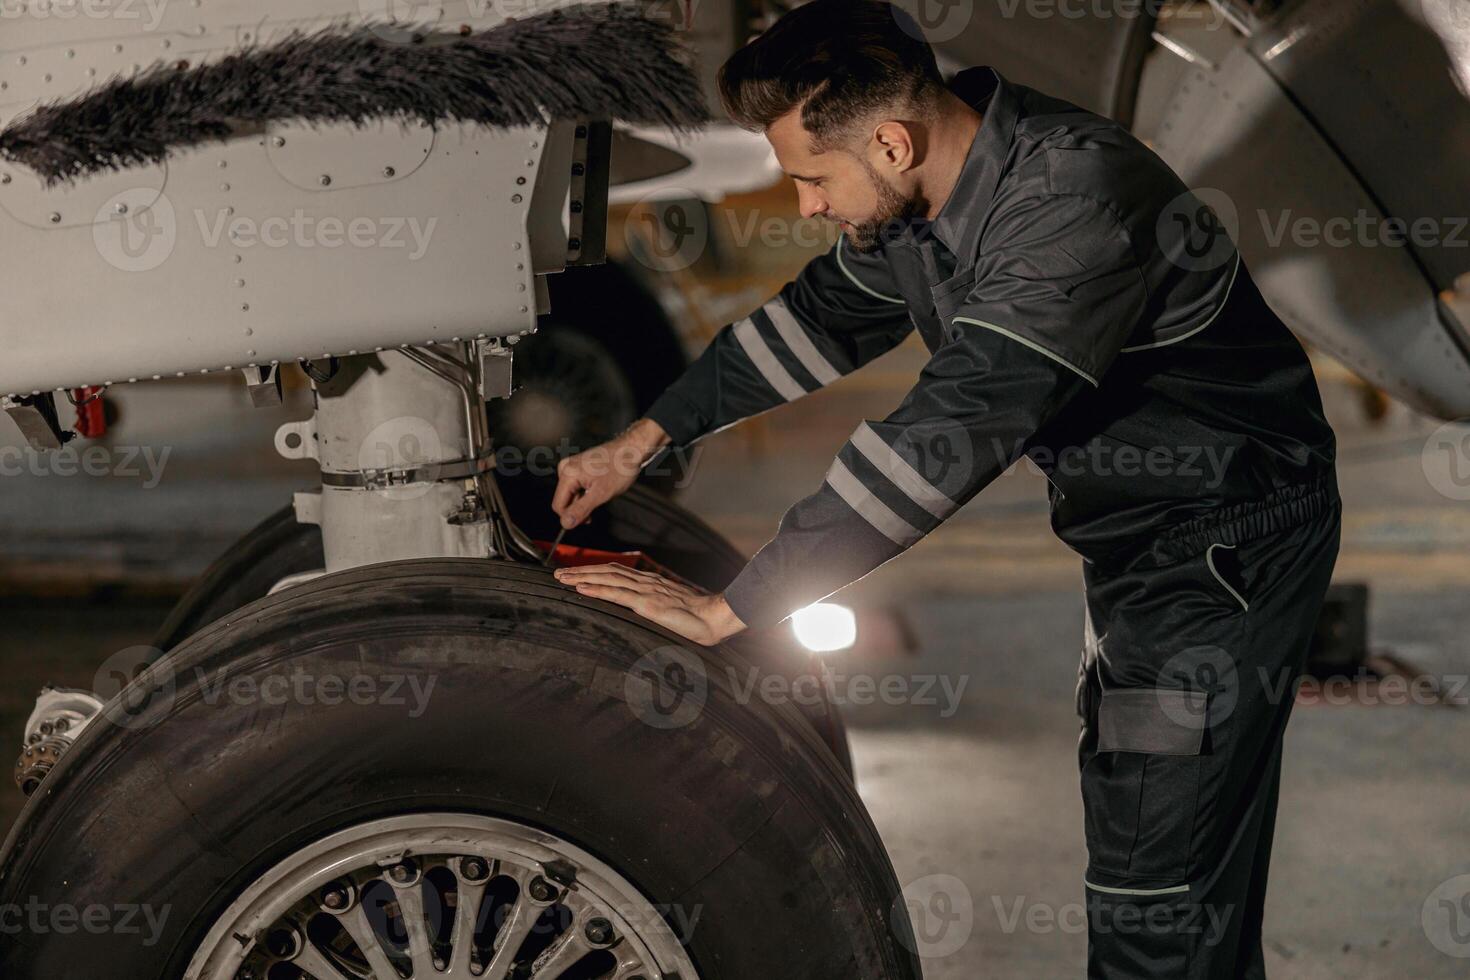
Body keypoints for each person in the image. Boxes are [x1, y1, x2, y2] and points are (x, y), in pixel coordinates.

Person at [552, 2, 1340, 975]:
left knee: (1157, 888)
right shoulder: (931, 189)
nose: (803, 207)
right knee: (1171, 857)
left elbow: (946, 436)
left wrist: (736, 605)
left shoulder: (1070, 203)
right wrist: (642, 437)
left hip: (1220, 555)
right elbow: (816, 321)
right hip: (1142, 545)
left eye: (810, 178)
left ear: (887, 140)